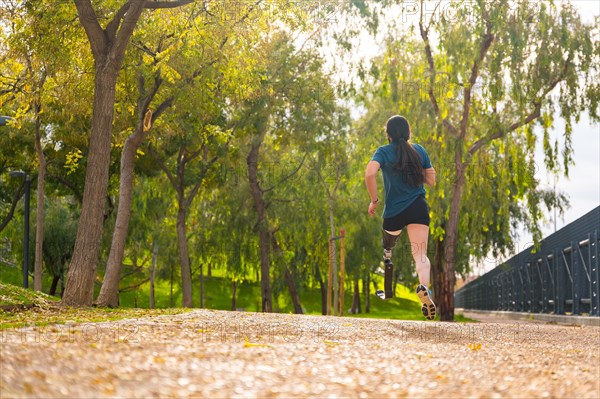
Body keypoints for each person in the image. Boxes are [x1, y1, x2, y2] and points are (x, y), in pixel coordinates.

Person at [364, 115, 437, 320]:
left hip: (394, 212)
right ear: (408, 132)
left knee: (388, 247)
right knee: (420, 255)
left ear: (388, 134)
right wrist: (413, 171)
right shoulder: (419, 150)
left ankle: (387, 260)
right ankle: (424, 289)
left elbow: (369, 174)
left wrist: (374, 200)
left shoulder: (383, 151)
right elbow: (432, 180)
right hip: (417, 207)